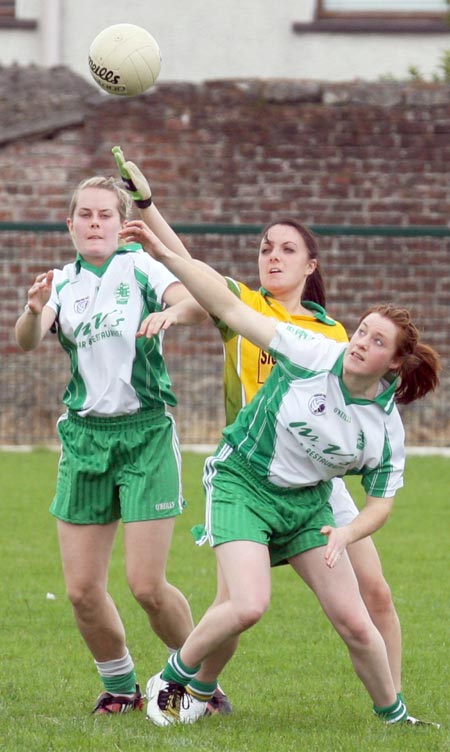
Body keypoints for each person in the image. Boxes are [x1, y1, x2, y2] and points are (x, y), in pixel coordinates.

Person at [112, 147, 413, 717]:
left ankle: (393, 708)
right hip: (254, 471)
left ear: (310, 266)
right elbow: (197, 275)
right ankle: (195, 690)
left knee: (372, 595)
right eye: (265, 248)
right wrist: (149, 209)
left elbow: (359, 413)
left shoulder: (331, 333)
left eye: (287, 249)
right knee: (238, 604)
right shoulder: (246, 309)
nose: (272, 257)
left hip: (320, 479)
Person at [14, 175, 232, 716]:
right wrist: (32, 308)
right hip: (84, 439)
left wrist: (171, 313)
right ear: (70, 226)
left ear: (120, 223)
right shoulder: (61, 283)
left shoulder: (141, 267)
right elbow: (27, 339)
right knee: (83, 591)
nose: (94, 223)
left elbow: (197, 305)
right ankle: (121, 688)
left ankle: (201, 684)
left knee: (146, 586)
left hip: (145, 435)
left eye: (104, 215)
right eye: (84, 215)